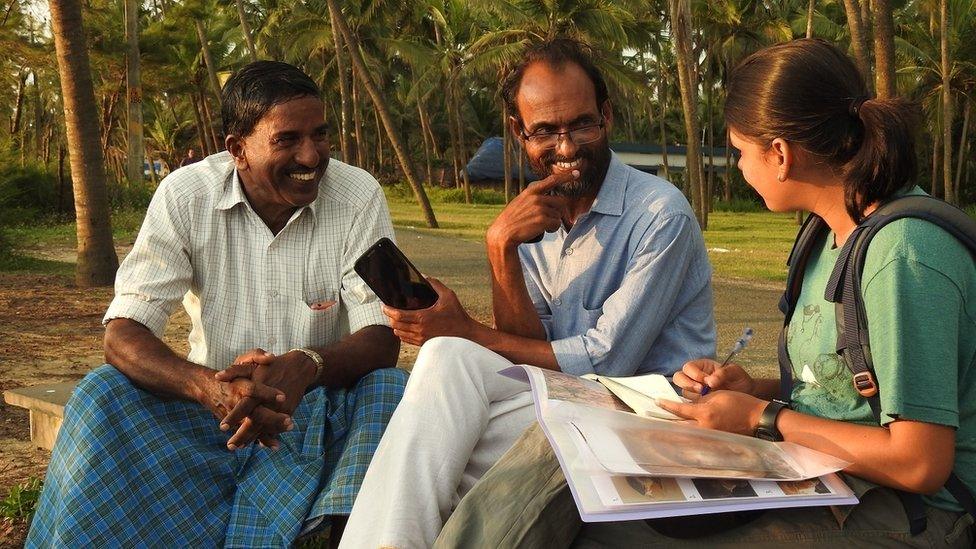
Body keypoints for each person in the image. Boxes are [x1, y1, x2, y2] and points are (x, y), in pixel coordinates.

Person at [436, 38, 976, 548]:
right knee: (569, 469)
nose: (739, 167)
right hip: (831, 477)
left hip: (909, 513)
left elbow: (918, 462)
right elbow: (844, 390)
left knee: (591, 528)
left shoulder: (902, 255)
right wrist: (751, 387)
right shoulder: (829, 237)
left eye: (740, 152)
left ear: (781, 154)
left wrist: (761, 416)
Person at [340, 39, 716, 548]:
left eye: (581, 124)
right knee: (448, 360)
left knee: (444, 433)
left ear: (605, 116)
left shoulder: (659, 215)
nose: (565, 148)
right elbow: (527, 353)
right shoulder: (539, 213)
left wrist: (469, 329)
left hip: (651, 411)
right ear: (519, 132)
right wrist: (501, 250)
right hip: (570, 402)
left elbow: (610, 359)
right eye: (544, 131)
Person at [26, 61, 408, 548]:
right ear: (237, 150)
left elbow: (383, 334)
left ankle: (353, 538)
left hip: (321, 404)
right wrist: (208, 387)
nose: (311, 156)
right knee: (103, 393)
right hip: (208, 409)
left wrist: (305, 366)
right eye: (287, 139)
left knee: (389, 390)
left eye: (321, 134)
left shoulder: (357, 196)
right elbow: (123, 332)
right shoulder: (185, 195)